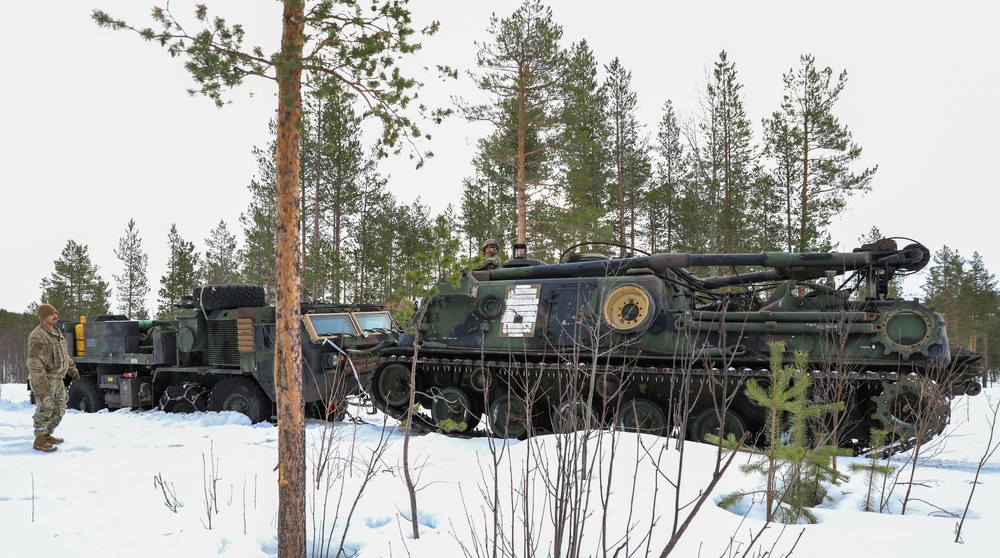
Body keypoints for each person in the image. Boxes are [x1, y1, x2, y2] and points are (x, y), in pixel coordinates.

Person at [26, 304, 79, 452]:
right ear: (43, 317)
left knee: (60, 408)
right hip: (45, 379)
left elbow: (64, 355)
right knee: (45, 408)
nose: (55, 315)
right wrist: (41, 380)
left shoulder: (56, 332)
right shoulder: (37, 335)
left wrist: (72, 369)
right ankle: (40, 439)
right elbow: (33, 360)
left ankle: (47, 434)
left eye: (56, 312)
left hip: (58, 378)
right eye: (51, 314)